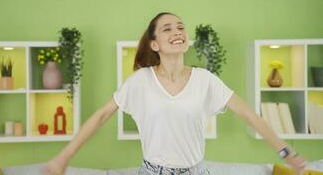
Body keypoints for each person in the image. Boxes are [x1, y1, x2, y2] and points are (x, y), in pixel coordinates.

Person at [42, 12, 307, 175]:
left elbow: (252, 116)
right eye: (168, 28)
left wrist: (288, 154)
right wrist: (63, 158)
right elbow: (100, 117)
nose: (178, 31)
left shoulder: (205, 80)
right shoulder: (140, 82)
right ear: (155, 44)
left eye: (180, 27)